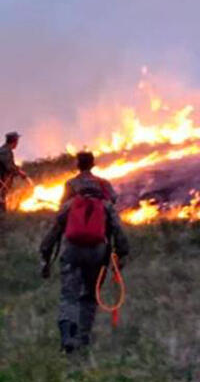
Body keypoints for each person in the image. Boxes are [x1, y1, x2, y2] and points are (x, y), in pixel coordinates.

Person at [38, 182, 130, 353]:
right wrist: (122, 255)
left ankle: (67, 337)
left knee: (68, 296)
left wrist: (45, 257)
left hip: (72, 253)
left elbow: (53, 233)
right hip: (97, 255)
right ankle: (83, 338)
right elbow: (118, 231)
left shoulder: (69, 205)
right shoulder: (106, 206)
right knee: (89, 296)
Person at [0, 132, 28, 213]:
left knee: (2, 197)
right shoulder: (5, 152)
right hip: (1, 180)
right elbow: (9, 167)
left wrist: (18, 170)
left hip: (2, 181)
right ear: (14, 141)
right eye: (17, 141)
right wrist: (20, 172)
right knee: (1, 199)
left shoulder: (4, 150)